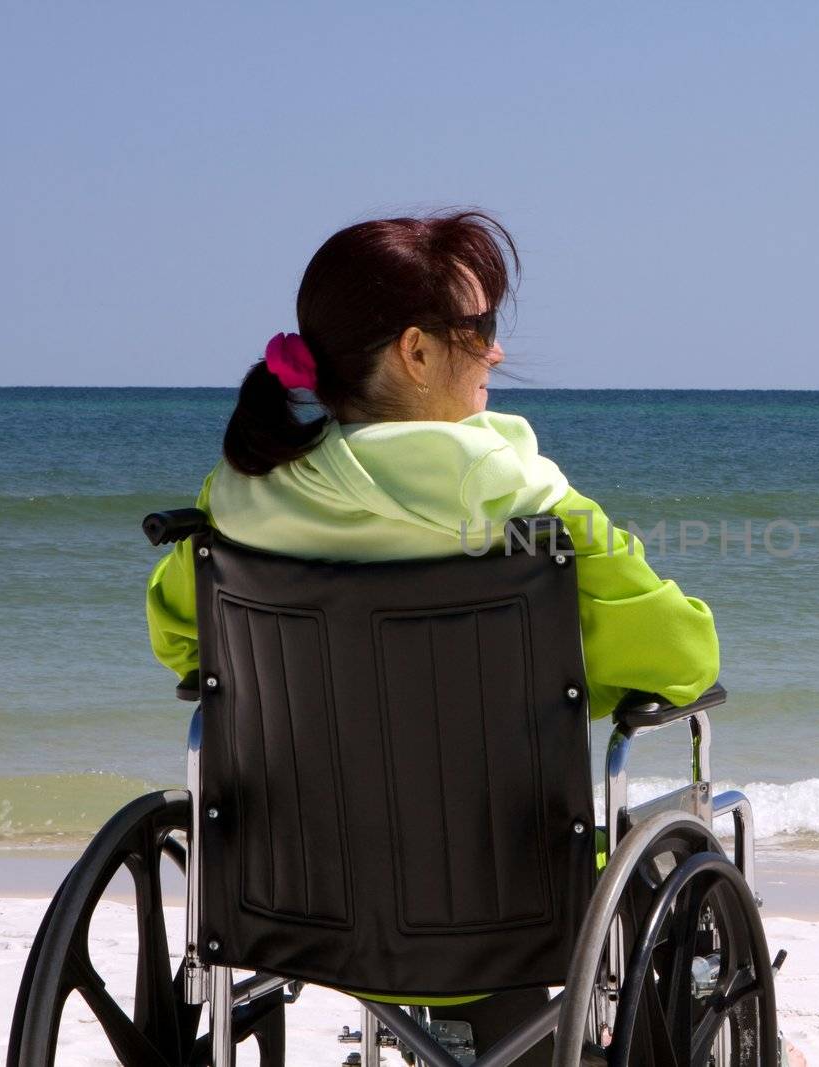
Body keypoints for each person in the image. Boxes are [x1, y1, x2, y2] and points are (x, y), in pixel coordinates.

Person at [144, 211, 720, 1065]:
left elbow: (182, 642)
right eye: (480, 328)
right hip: (509, 897)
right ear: (415, 351)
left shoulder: (238, 507)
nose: (494, 351)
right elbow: (680, 660)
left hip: (296, 895)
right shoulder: (534, 510)